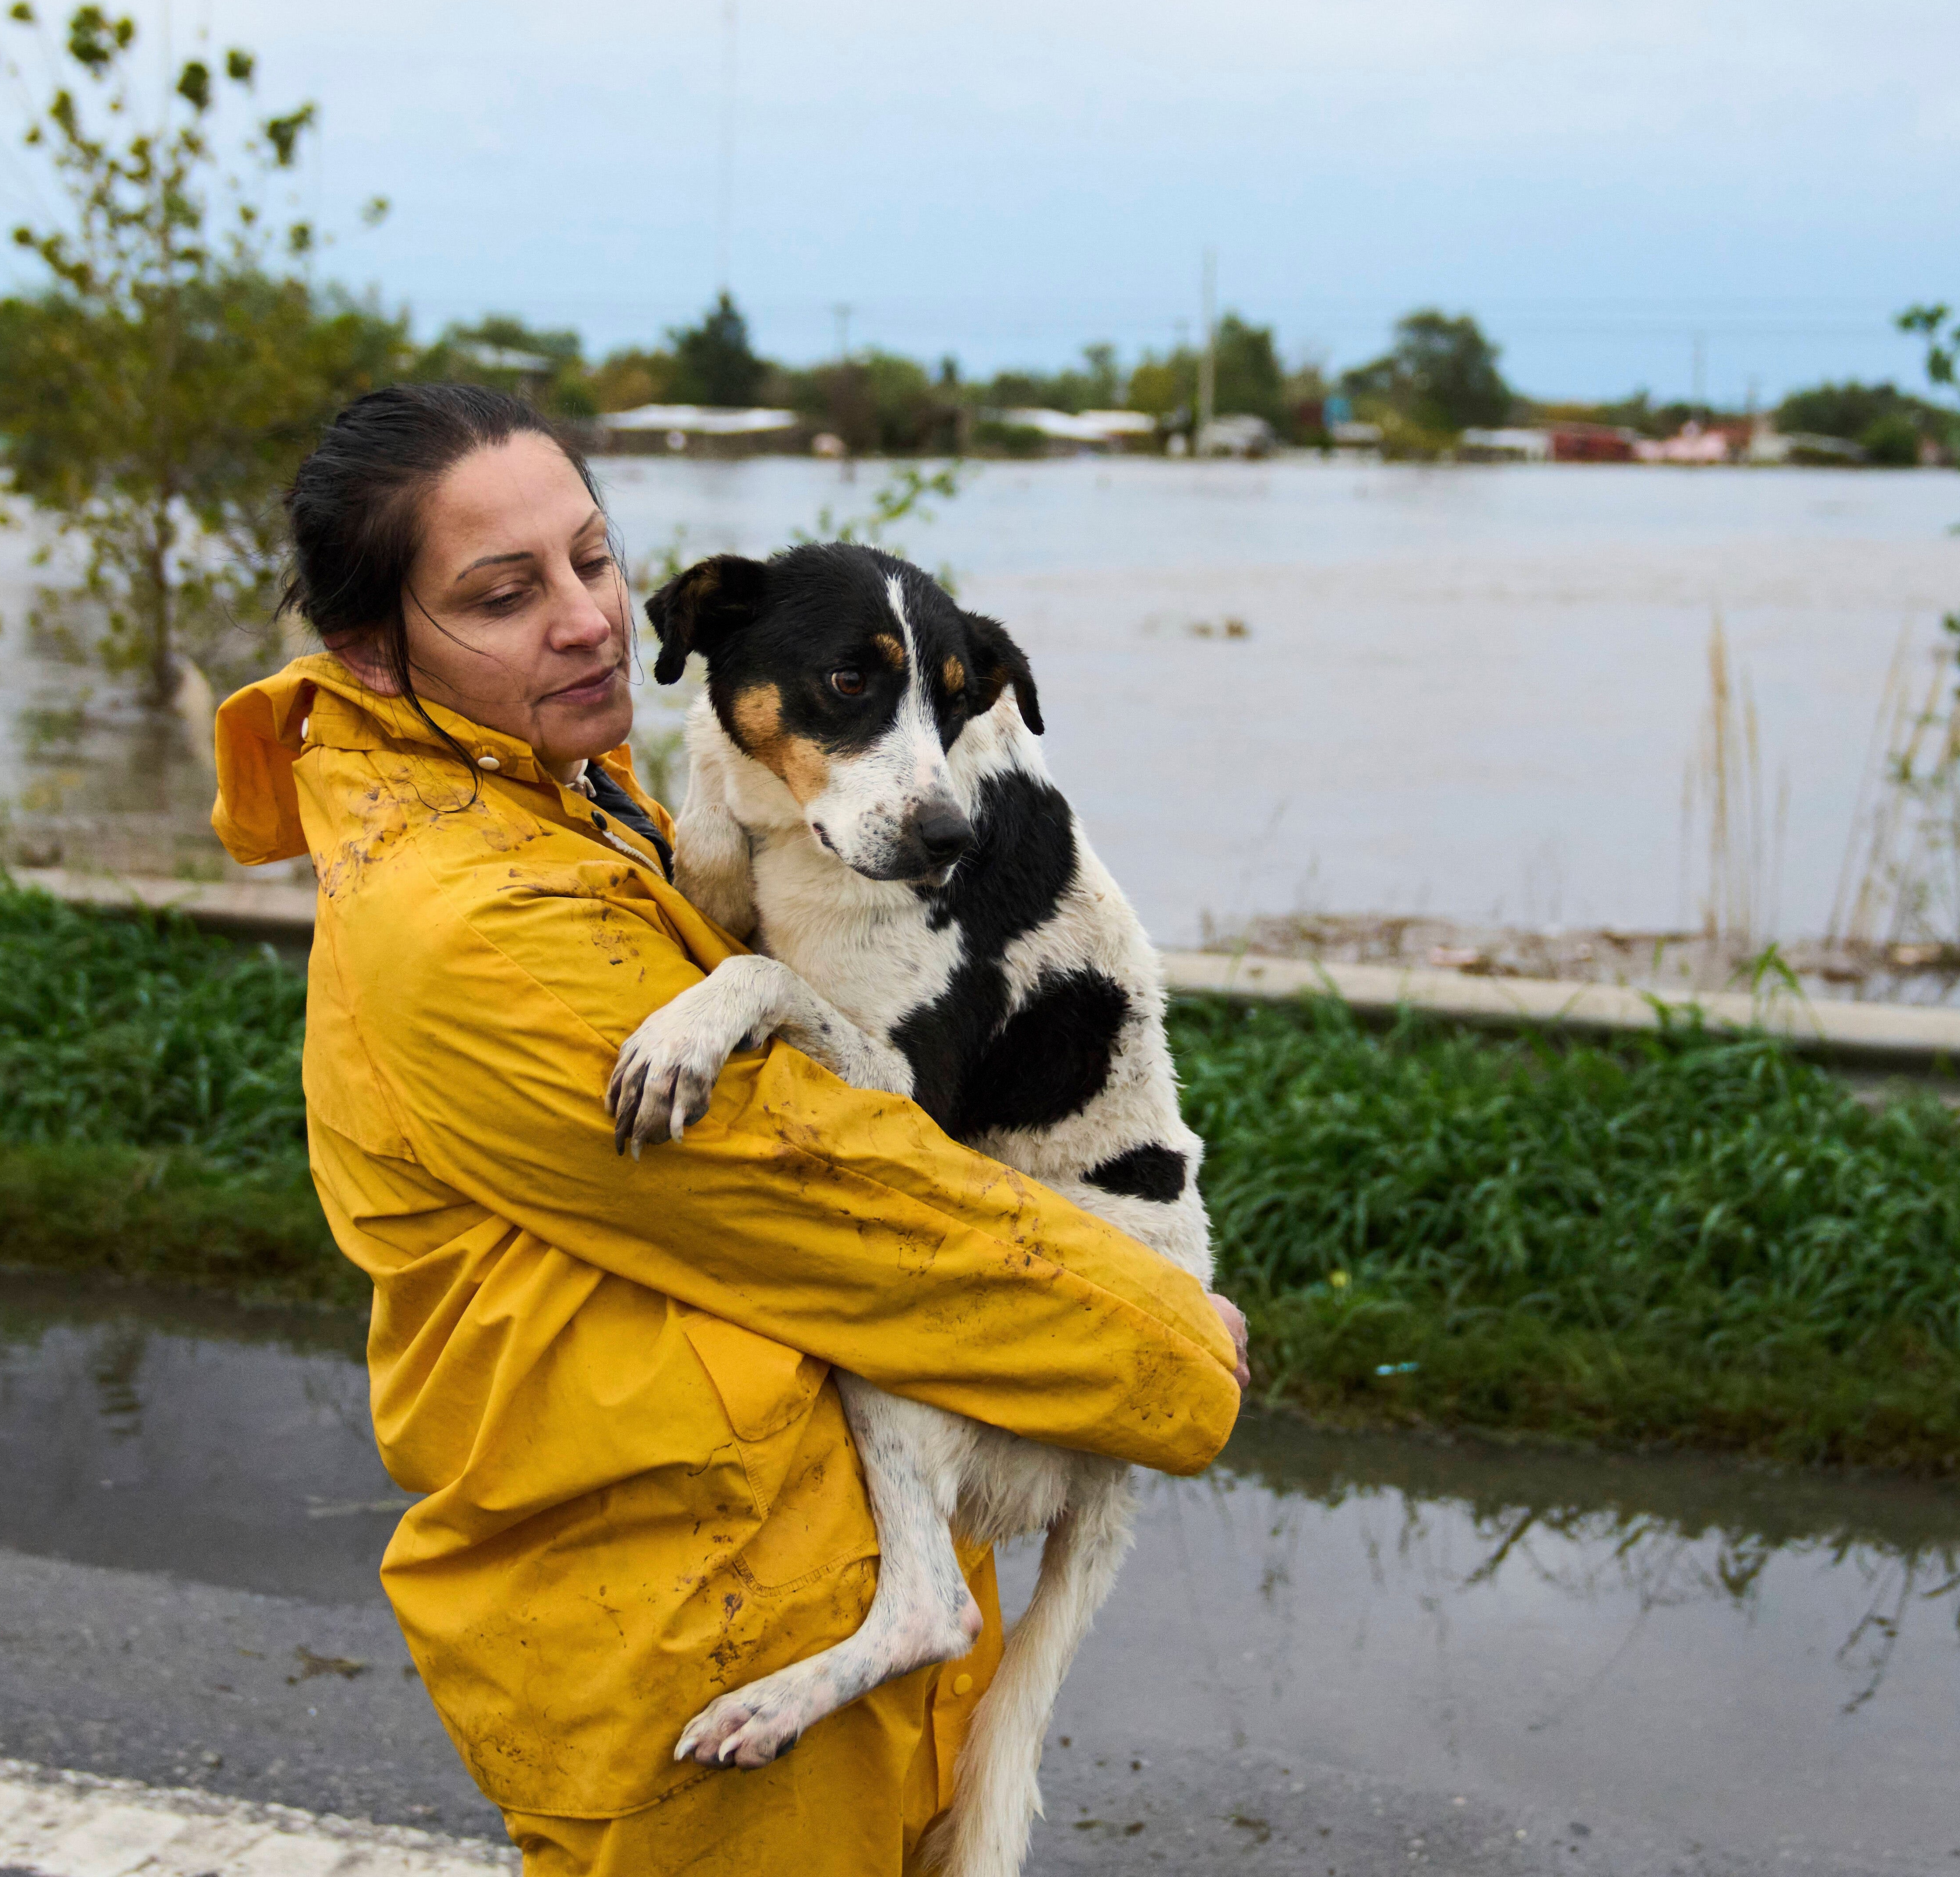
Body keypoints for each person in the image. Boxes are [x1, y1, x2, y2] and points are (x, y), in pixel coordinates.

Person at [210, 383, 1247, 1877]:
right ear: (374, 649)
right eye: (504, 594)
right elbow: (845, 1204)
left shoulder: (565, 799)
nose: (585, 622)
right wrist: (1167, 1341)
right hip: (693, 1627)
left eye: (589, 557)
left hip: (793, 1570)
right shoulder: (483, 930)